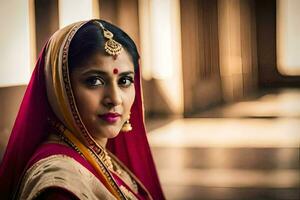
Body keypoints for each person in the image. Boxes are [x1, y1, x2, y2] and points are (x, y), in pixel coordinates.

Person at [0, 19, 165, 200]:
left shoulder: (95, 152)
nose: (115, 99)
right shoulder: (58, 187)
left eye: (124, 81)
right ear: (61, 88)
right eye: (94, 81)